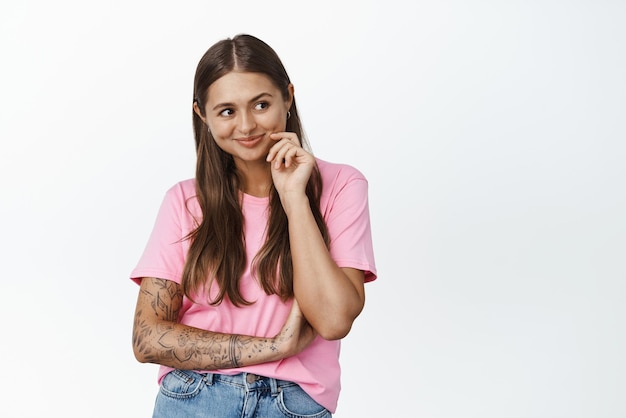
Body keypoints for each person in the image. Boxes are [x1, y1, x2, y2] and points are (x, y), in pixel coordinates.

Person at [130, 33, 377, 418]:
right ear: (202, 115)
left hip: (292, 404)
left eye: (261, 104)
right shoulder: (184, 201)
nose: (246, 126)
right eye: (227, 111)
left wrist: (294, 199)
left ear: (288, 97)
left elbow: (332, 319)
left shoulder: (341, 186)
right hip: (194, 398)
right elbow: (147, 338)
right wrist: (274, 348)